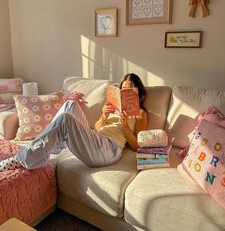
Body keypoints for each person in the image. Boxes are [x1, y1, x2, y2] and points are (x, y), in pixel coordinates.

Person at [0, 73, 148, 171]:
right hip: (96, 139)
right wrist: (104, 116)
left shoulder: (140, 113)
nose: (125, 92)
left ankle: (23, 158)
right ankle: (48, 148)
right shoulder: (113, 107)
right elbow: (96, 128)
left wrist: (126, 127)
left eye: (130, 89)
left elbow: (138, 146)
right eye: (123, 89)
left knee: (65, 118)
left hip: (109, 150)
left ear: (138, 92)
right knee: (70, 105)